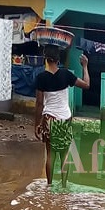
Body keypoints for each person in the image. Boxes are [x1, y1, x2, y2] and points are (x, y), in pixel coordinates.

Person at [34, 45, 90, 187]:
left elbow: (39, 103)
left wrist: (37, 124)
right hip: (65, 119)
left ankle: (49, 185)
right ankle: (64, 186)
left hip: (49, 119)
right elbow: (86, 85)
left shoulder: (41, 78)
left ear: (46, 59)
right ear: (58, 60)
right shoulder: (66, 75)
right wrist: (84, 66)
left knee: (50, 155)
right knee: (65, 154)